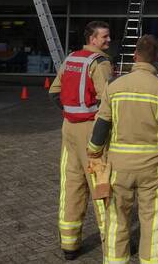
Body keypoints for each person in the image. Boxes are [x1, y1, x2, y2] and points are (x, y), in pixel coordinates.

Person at [87, 35, 158, 264]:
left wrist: (93, 151)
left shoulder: (115, 86)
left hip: (119, 168)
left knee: (117, 220)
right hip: (155, 169)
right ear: (156, 59)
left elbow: (101, 125)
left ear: (135, 56)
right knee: (153, 223)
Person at [48, 21, 113, 260]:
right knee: (101, 186)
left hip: (69, 129)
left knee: (71, 185)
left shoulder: (71, 58)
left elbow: (54, 92)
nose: (108, 40)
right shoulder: (100, 63)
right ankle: (112, 242)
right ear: (93, 39)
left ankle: (70, 244)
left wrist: (71, 111)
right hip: (91, 130)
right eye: (104, 37)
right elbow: (107, 102)